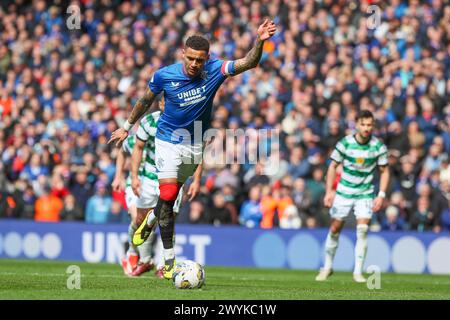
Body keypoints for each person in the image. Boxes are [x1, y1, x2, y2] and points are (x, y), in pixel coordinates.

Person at [109, 19, 277, 279]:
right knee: (167, 191)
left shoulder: (215, 69)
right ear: (182, 53)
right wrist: (127, 126)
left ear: (206, 57)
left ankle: (153, 218)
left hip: (195, 144)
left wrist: (260, 41)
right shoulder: (165, 75)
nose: (194, 64)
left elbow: (249, 63)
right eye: (190, 58)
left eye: (199, 60)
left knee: (168, 198)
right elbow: (145, 100)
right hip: (167, 140)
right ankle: (170, 262)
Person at [315, 110, 390, 283]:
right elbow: (332, 166)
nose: (366, 128)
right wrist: (329, 191)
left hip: (365, 193)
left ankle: (358, 272)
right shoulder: (345, 143)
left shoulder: (378, 146)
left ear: (373, 126)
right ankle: (327, 267)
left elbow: (385, 171)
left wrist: (381, 195)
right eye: (363, 124)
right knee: (335, 228)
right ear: (357, 124)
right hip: (344, 192)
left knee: (363, 230)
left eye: (369, 125)